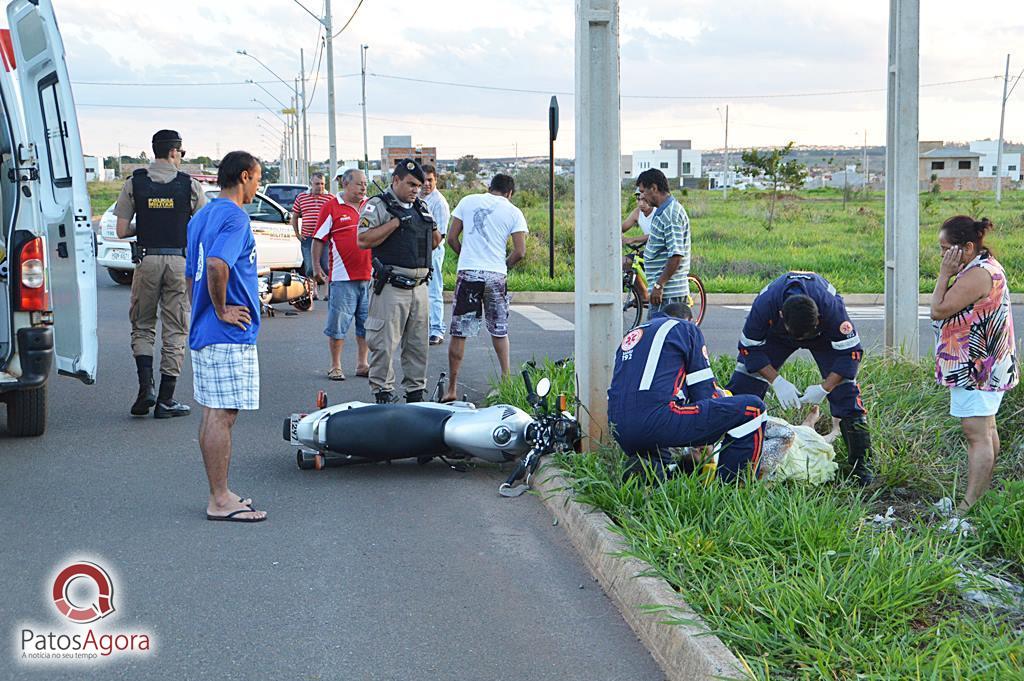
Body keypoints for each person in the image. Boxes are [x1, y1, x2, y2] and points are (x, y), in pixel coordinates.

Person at [725, 271, 873, 484]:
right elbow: (750, 350)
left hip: (822, 337)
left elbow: (850, 354)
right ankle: (732, 457)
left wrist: (825, 388)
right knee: (742, 388)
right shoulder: (764, 306)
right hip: (777, 336)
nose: (800, 342)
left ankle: (862, 467)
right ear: (781, 316)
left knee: (846, 393)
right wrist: (777, 381)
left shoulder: (831, 308)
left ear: (819, 318)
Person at [185, 151, 266, 523]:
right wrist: (220, 310)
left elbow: (191, 275)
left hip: (206, 331)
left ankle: (221, 492)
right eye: (258, 179)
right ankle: (219, 499)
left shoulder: (201, 215)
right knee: (223, 413)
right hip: (227, 332)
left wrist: (201, 310)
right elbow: (217, 264)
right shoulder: (235, 217)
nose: (258, 186)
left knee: (213, 411)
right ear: (245, 176)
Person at [607, 302, 767, 482]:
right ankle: (732, 492)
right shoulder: (686, 328)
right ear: (691, 320)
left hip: (619, 426)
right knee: (753, 410)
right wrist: (707, 437)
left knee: (663, 464)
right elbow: (704, 391)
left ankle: (656, 472)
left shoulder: (634, 334)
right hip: (656, 419)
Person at [114, 129, 206, 419]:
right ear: (174, 152)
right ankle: (166, 400)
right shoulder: (189, 185)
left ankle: (146, 388)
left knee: (142, 325)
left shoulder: (135, 183)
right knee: (175, 327)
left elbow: (120, 231)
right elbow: (201, 227)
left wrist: (147, 225)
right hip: (179, 262)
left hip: (146, 259)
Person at [930, 216, 1017, 511]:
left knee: (976, 433)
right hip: (986, 363)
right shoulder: (982, 266)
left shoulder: (976, 275)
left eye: (946, 249)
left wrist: (944, 274)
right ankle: (983, 493)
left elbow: (938, 309)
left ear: (968, 247)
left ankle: (969, 505)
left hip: (977, 368)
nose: (943, 256)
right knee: (986, 429)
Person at [357, 159, 442, 404]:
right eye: (411, 184)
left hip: (420, 287)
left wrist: (425, 221)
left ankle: (415, 395)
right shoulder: (378, 206)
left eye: (420, 184)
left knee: (417, 346)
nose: (417, 189)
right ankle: (383, 394)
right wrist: (395, 223)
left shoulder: (421, 207)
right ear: (395, 181)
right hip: (392, 287)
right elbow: (362, 240)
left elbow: (435, 241)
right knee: (383, 344)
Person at [441, 174, 528, 402]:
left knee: (460, 331)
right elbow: (520, 251)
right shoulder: (514, 211)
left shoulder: (468, 201)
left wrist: (467, 257)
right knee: (499, 329)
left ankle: (451, 389)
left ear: (489, 188)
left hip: (469, 272)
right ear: (510, 193)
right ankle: (506, 381)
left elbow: (451, 238)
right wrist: (503, 265)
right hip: (496, 274)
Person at [312, 169, 371, 381]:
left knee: (365, 325)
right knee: (338, 325)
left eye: (365, 183)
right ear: (346, 184)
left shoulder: (370, 206)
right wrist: (317, 267)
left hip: (368, 276)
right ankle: (335, 365)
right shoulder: (331, 206)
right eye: (359, 183)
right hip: (342, 277)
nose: (364, 187)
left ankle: (362, 364)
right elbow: (319, 239)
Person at [635, 168, 690, 318]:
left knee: (664, 338)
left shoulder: (670, 215)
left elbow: (676, 255)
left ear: (654, 188)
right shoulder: (662, 212)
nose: (642, 197)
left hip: (668, 296)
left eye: (643, 191)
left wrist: (659, 285)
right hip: (662, 295)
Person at [420, 165, 451, 345]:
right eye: (423, 180)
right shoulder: (416, 198)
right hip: (416, 252)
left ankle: (437, 329)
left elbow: (439, 237)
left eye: (430, 180)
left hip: (433, 253)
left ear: (436, 180)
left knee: (434, 291)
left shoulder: (439, 203)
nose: (426, 184)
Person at [291, 172, 332, 299]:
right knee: (309, 267)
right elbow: (295, 216)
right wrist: (297, 233)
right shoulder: (301, 197)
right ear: (311, 184)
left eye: (322, 184)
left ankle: (326, 292)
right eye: (317, 184)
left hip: (324, 237)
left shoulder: (330, 198)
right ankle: (313, 292)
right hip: (307, 237)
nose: (320, 186)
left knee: (325, 265)